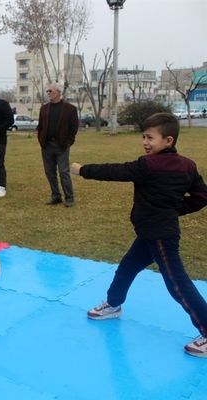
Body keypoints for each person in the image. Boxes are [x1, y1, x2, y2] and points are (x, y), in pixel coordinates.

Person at [71, 112, 207, 358]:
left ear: (168, 140)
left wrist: (82, 170)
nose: (145, 142)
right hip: (149, 233)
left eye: (150, 138)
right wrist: (175, 209)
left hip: (161, 236)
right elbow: (201, 197)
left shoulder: (148, 165)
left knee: (177, 283)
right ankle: (113, 304)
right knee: (126, 268)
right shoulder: (187, 165)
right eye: (143, 136)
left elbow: (115, 171)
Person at [37, 82, 79, 207]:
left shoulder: (70, 109)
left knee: (63, 171)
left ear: (58, 92)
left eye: (50, 91)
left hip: (62, 145)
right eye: (47, 91)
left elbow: (74, 127)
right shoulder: (44, 108)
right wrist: (41, 139)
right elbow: (40, 127)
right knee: (49, 172)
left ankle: (69, 197)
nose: (48, 93)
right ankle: (56, 196)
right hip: (47, 145)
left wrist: (68, 142)